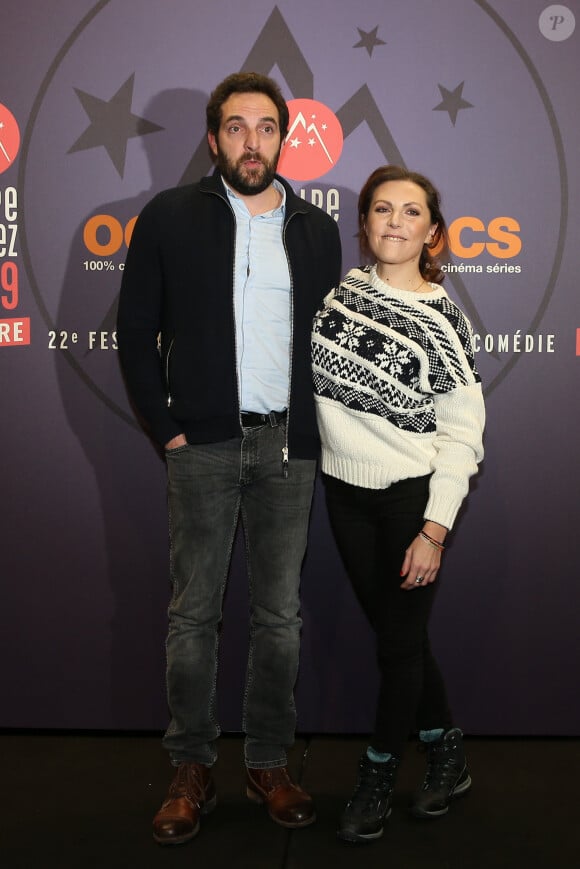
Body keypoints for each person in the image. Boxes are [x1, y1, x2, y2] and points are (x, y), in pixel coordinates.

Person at [117, 71, 341, 845]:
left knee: (280, 617)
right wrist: (170, 429)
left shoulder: (316, 230)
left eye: (268, 127)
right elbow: (134, 330)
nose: (254, 141)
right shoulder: (170, 216)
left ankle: (269, 762)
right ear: (214, 139)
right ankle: (191, 768)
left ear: (286, 137)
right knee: (192, 616)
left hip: (289, 447)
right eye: (237, 127)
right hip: (203, 444)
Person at [311, 165, 485, 844]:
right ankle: (447, 748)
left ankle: (380, 769)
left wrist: (434, 530)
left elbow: (464, 434)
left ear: (432, 233)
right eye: (382, 209)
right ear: (364, 224)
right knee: (398, 637)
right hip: (343, 496)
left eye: (411, 212)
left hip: (411, 502)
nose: (394, 221)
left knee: (398, 647)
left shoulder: (443, 321)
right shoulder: (339, 296)